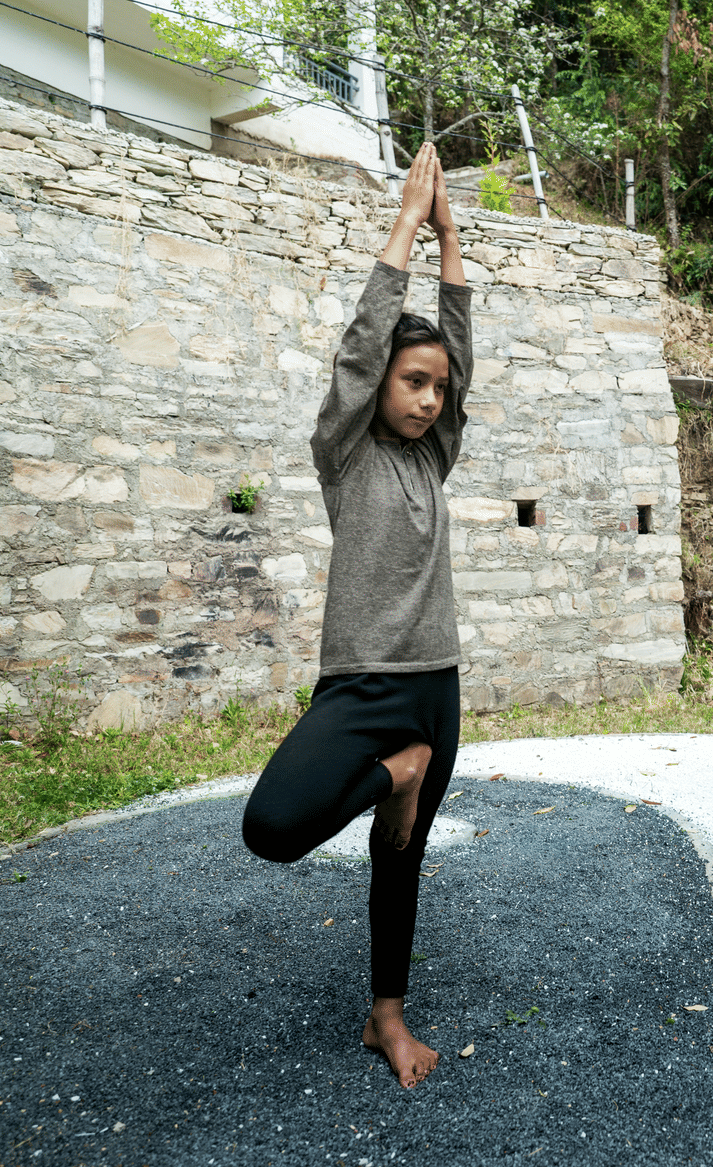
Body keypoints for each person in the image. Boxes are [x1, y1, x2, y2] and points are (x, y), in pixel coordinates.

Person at [241, 143, 470, 1089]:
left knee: (400, 860)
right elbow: (357, 347)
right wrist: (407, 229)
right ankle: (398, 772)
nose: (427, 398)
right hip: (365, 686)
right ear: (381, 380)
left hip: (437, 686)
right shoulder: (346, 451)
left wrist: (455, 235)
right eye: (413, 381)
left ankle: (388, 1016)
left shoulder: (433, 455)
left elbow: (463, 343)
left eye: (438, 388)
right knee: (272, 825)